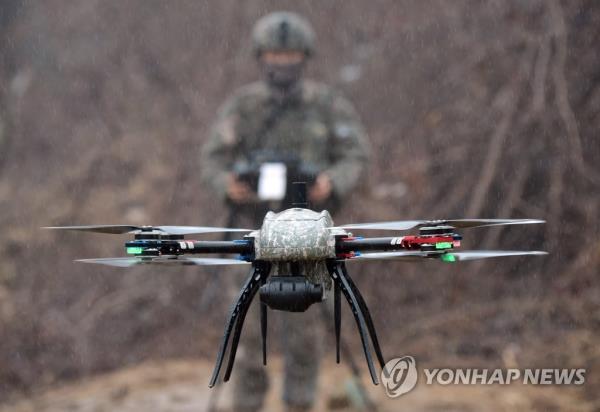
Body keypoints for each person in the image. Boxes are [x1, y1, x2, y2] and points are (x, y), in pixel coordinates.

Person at [201, 11, 369, 412]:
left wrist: (333, 181)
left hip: (307, 233)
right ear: (262, 57)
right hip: (251, 231)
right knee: (246, 331)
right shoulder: (243, 107)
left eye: (290, 55)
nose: (282, 64)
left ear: (304, 57)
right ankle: (247, 402)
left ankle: (299, 403)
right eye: (275, 55)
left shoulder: (327, 106)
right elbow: (212, 157)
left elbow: (355, 153)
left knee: (304, 328)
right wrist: (228, 183)